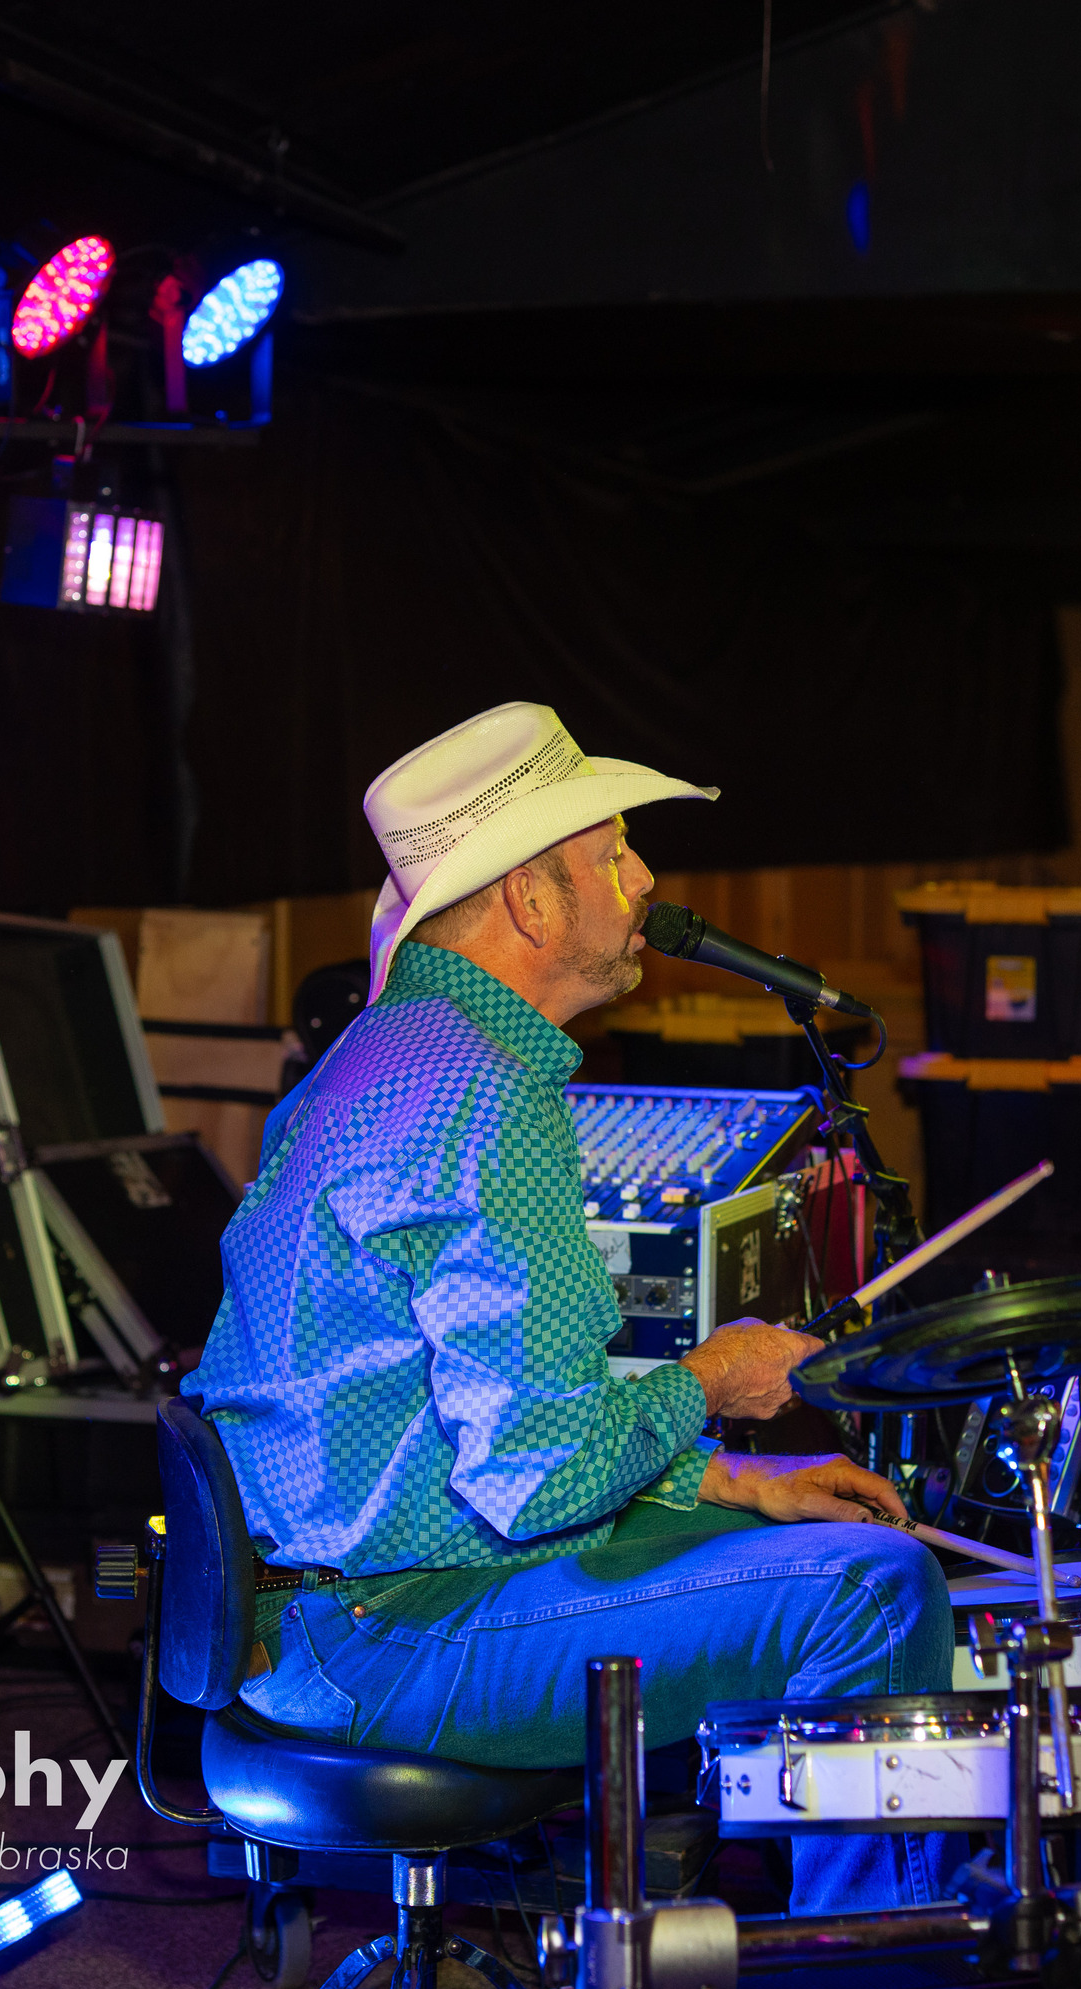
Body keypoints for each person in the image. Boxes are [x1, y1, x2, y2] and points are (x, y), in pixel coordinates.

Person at [185, 700, 958, 1916]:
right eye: (613, 853)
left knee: (792, 1544)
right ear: (531, 901)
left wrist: (736, 1482)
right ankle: (880, 1969)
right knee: (875, 1589)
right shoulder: (481, 1093)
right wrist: (716, 1376)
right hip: (390, 1626)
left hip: (324, 1601)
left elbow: (471, 1424)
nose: (646, 878)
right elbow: (540, 1481)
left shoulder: (382, 1053)